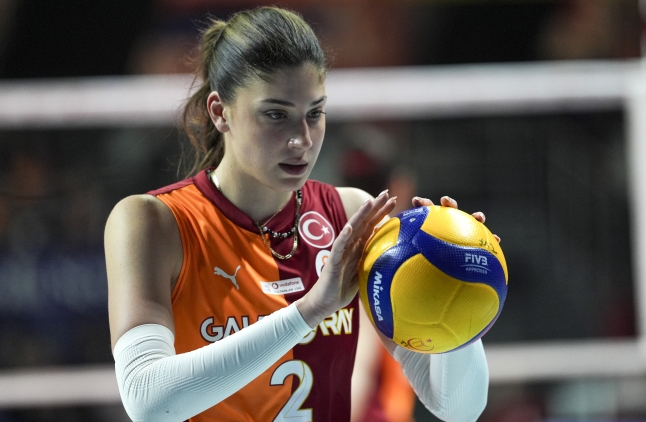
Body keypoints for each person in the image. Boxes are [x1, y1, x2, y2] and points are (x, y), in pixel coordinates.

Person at [105, 6, 492, 422]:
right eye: (276, 115)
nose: (301, 140)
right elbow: (147, 401)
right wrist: (309, 311)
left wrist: (455, 283)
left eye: (314, 113)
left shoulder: (350, 215)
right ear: (220, 112)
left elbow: (459, 409)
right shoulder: (151, 222)